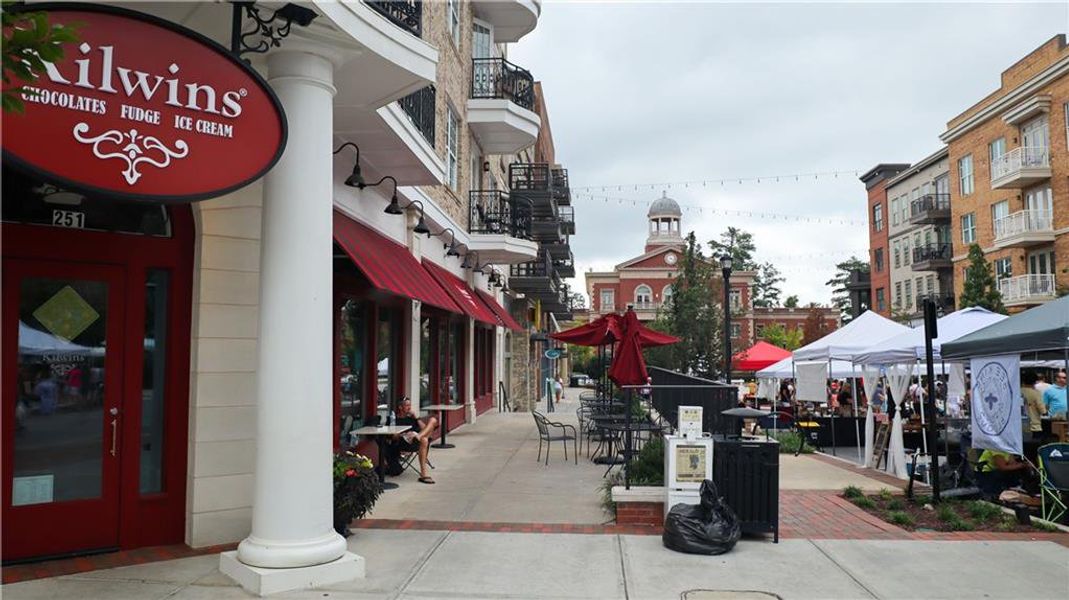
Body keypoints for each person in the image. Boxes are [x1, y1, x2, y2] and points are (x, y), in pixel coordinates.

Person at [388, 397, 439, 484]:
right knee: (424, 440)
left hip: (416, 439)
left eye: (410, 405)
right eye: (407, 405)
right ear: (400, 407)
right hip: (404, 442)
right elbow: (391, 437)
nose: (409, 407)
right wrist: (404, 434)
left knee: (433, 421)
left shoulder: (411, 418)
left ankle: (419, 436)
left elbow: (424, 428)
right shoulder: (394, 419)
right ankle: (424, 475)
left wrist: (416, 418)